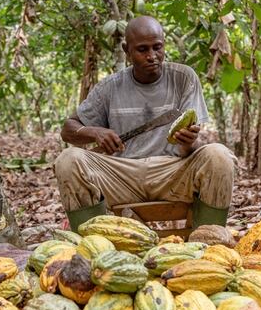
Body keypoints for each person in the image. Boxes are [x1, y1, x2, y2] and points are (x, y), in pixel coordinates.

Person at [55, 16, 236, 230]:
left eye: (157, 47)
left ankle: (210, 239)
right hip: (121, 176)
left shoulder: (183, 78)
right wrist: (95, 132)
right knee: (68, 159)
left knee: (219, 155)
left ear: (164, 45)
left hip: (172, 173)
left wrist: (190, 143)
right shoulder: (110, 87)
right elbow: (68, 130)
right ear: (127, 50)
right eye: (142, 50)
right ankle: (90, 244)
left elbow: (191, 148)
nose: (152, 56)